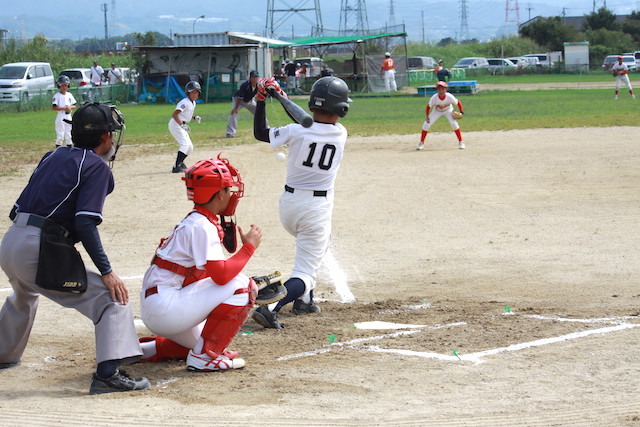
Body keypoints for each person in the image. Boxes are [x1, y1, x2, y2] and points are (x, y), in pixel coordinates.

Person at [0, 102, 150, 395]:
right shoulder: (96, 166)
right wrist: (107, 271)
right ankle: (108, 376)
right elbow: (84, 223)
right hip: (35, 248)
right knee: (112, 298)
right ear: (105, 137)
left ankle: (3, 353)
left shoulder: (52, 155)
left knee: (24, 293)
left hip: (10, 243)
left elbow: (17, 210)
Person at [138, 155, 261, 372]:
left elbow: (201, 276)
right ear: (219, 193)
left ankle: (147, 349)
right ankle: (204, 358)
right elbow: (222, 276)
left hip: (159, 305)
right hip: (167, 308)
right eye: (228, 189)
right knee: (244, 286)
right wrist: (249, 248)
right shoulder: (202, 226)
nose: (231, 194)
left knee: (202, 341)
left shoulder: (196, 220)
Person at [251, 76, 352, 329]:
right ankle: (272, 306)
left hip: (288, 206)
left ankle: (305, 300)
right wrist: (281, 96)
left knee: (319, 245)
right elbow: (314, 125)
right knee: (306, 272)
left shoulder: (295, 131)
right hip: (315, 209)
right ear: (341, 108)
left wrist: (263, 99)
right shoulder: (341, 133)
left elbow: (260, 133)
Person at [417, 80, 465, 150]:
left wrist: (461, 111)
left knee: (454, 124)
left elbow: (458, 102)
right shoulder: (434, 98)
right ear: (437, 90)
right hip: (437, 111)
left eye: (442, 88)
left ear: (446, 89)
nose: (441, 91)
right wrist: (427, 117)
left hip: (448, 110)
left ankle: (461, 142)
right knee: (426, 125)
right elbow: (428, 107)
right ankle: (421, 143)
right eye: (439, 89)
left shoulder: (449, 96)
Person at [169, 81, 202, 173]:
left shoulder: (193, 103)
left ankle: (181, 163)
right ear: (188, 93)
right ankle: (176, 166)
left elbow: (185, 114)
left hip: (180, 124)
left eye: (196, 92)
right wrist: (182, 125)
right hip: (175, 124)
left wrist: (194, 117)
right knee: (185, 144)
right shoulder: (184, 102)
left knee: (190, 147)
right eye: (192, 92)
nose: (194, 94)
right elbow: (175, 115)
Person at [225, 70, 260, 138]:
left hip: (249, 101)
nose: (255, 79)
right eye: (253, 77)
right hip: (238, 101)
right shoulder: (245, 85)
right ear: (250, 78)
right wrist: (235, 108)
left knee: (260, 113)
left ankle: (266, 128)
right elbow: (240, 98)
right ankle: (230, 133)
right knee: (233, 114)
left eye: (256, 77)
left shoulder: (259, 85)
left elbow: (259, 95)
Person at [51, 75, 77, 148]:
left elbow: (74, 105)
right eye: (62, 85)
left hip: (68, 115)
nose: (64, 87)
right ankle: (58, 148)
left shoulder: (69, 95)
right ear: (59, 86)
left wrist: (69, 107)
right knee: (60, 134)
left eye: (65, 85)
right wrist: (64, 108)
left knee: (68, 133)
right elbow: (54, 107)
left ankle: (69, 149)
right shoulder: (57, 96)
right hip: (61, 116)